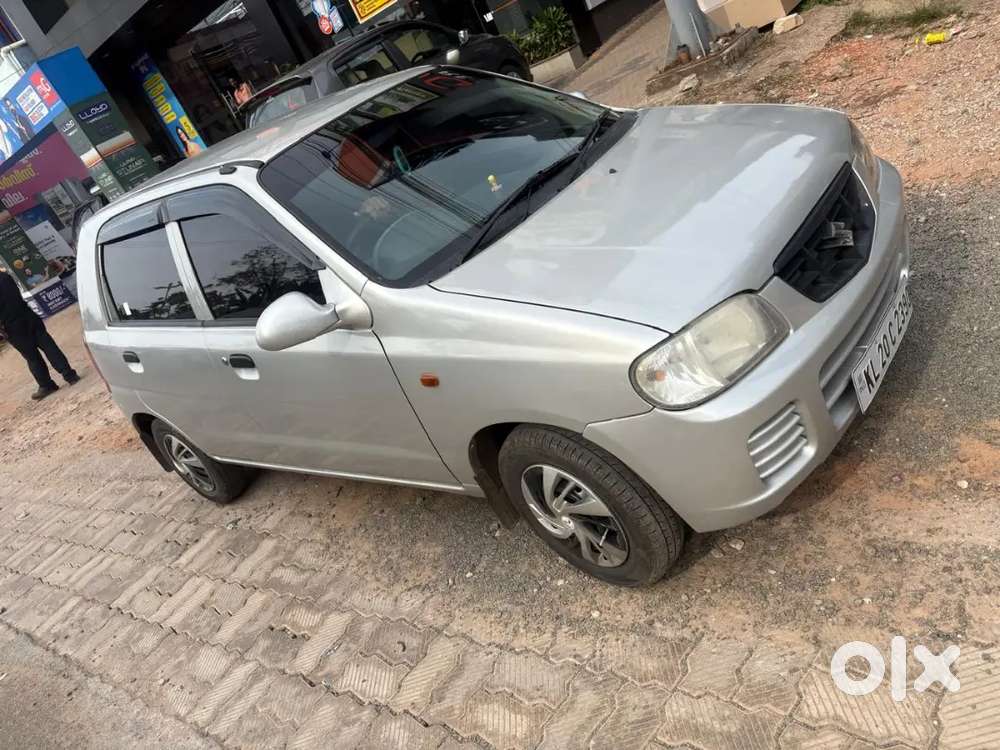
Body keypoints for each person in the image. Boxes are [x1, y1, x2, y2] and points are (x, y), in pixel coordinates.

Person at [0, 269, 79, 400]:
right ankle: (70, 375)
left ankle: (46, 385)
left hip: (11, 327)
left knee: (32, 357)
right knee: (49, 345)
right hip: (28, 315)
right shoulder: (4, 276)